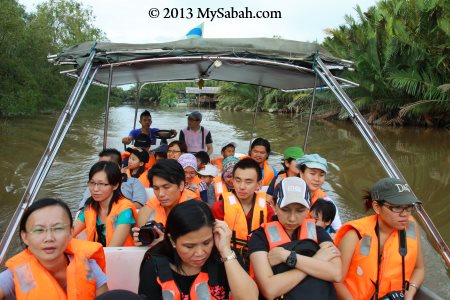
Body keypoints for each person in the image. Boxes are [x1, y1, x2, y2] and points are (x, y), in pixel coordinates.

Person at [138, 200, 258, 300]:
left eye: (206, 242)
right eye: (189, 246)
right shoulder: (154, 265)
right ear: (172, 240)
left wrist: (226, 251)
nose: (200, 253)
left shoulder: (225, 256)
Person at [249, 177, 342, 300]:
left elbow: (336, 273)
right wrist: (317, 260)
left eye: (300, 210)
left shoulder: (318, 231)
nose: (292, 218)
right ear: (274, 205)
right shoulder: (260, 237)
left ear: (309, 208)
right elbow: (270, 289)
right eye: (285, 210)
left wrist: (287, 257)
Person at [334, 178, 424, 300]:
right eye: (397, 207)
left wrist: (410, 292)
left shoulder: (411, 227)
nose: (405, 214)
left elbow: (419, 269)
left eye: (409, 207)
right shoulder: (354, 235)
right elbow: (336, 280)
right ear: (377, 207)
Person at [0, 198, 108, 299]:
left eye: (58, 228)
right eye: (39, 230)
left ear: (71, 233)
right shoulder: (16, 275)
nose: (49, 238)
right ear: (25, 237)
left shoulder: (87, 266)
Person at [211, 158, 275, 270]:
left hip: (258, 265)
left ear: (259, 184)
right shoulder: (219, 207)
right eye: (238, 180)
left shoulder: (267, 210)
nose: (241, 186)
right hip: (226, 263)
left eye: (248, 182)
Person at [74, 161, 138, 247]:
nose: (95, 189)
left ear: (115, 185)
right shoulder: (89, 206)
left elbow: (113, 248)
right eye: (92, 183)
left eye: (101, 184)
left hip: (120, 257)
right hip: (97, 257)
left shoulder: (125, 210)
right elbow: (70, 232)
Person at [137, 159, 199, 228]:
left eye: (166, 187)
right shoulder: (148, 208)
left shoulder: (196, 209)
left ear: (181, 185)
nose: (161, 194)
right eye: (156, 188)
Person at [79, 148, 147, 209]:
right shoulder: (94, 184)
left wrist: (114, 208)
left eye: (107, 165)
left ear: (120, 167)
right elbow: (83, 206)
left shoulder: (134, 182)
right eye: (100, 165)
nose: (102, 169)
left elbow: (140, 204)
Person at [297, 153, 342, 231]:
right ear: (301, 173)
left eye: (321, 175)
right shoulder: (289, 194)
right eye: (312, 174)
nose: (317, 179)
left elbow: (338, 229)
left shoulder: (326, 201)